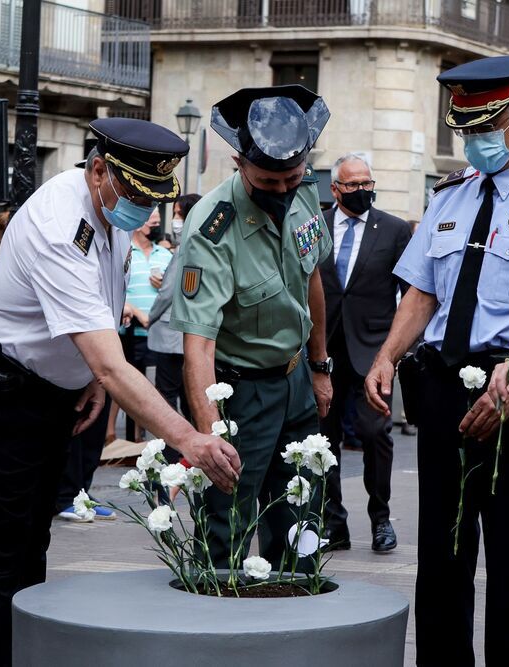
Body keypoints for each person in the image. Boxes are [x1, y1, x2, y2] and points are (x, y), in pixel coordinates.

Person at [0, 118, 241, 667]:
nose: (142, 209)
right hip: (0, 391)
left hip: (49, 392)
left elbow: (99, 327)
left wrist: (90, 382)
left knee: (32, 547)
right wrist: (189, 440)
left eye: (152, 198)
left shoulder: (106, 208)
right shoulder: (62, 223)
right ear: (99, 169)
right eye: (134, 193)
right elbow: (109, 361)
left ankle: (23, 656)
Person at [364, 56, 509, 667]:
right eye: (467, 130)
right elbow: (422, 292)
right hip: (440, 385)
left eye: (488, 127)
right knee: (442, 547)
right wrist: (385, 358)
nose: (476, 141)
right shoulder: (449, 196)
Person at [171, 85, 333, 569]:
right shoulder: (211, 229)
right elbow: (197, 346)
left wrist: (320, 366)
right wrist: (209, 435)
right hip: (240, 393)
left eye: (292, 178)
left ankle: (298, 611)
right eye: (269, 182)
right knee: (228, 526)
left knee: (301, 514)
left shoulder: (303, 191)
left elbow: (312, 280)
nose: (283, 191)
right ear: (239, 164)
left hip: (297, 380)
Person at [320, 152, 411, 553]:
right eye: (353, 185)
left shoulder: (392, 230)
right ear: (335, 188)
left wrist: (399, 351)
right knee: (324, 440)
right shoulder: (313, 227)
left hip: (373, 353)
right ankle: (332, 523)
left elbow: (412, 295)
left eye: (367, 184)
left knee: (376, 435)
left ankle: (381, 519)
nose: (362, 191)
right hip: (322, 352)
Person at [104, 208, 173, 442]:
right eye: (151, 224)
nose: (155, 228)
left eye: (157, 224)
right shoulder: (123, 252)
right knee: (121, 382)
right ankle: (110, 435)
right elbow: (114, 286)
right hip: (127, 330)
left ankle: (140, 440)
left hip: (156, 332)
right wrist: (130, 309)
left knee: (150, 385)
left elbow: (175, 290)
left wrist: (164, 284)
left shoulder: (165, 255)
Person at [148, 194, 202, 434]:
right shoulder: (202, 244)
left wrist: (149, 318)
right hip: (191, 332)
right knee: (189, 393)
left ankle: (172, 452)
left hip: (171, 332)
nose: (175, 220)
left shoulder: (185, 248)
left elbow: (168, 292)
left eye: (179, 214)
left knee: (167, 395)